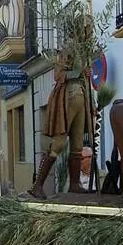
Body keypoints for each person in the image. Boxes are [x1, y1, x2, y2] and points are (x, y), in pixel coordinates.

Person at [30, 46, 92, 198]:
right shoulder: (68, 50)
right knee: (59, 142)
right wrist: (78, 73)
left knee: (78, 144)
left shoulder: (85, 51)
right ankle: (37, 186)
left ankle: (75, 184)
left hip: (82, 97)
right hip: (68, 96)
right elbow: (58, 75)